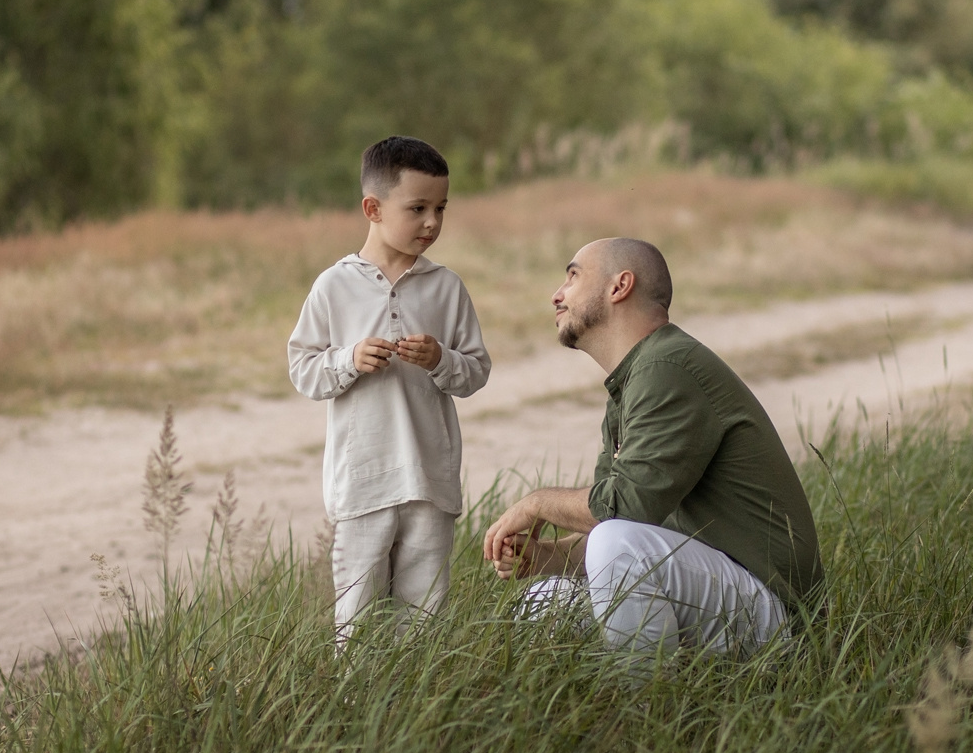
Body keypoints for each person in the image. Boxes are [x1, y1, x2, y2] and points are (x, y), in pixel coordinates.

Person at [482, 237, 823, 653]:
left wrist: (536, 503)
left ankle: (645, 710)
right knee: (542, 600)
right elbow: (619, 522)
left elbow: (622, 515)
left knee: (614, 544)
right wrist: (548, 557)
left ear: (619, 286)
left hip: (777, 612)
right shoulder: (633, 382)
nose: (557, 294)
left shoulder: (667, 367)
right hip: (718, 589)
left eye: (572, 276)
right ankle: (595, 701)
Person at [289, 136, 491, 641]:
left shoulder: (447, 287)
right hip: (363, 483)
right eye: (418, 208)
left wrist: (441, 359)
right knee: (355, 623)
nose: (433, 223)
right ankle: (356, 712)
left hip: (430, 480)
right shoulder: (334, 287)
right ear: (373, 208)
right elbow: (303, 369)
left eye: (441, 209)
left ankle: (416, 715)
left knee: (422, 622)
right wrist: (349, 360)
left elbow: (476, 370)